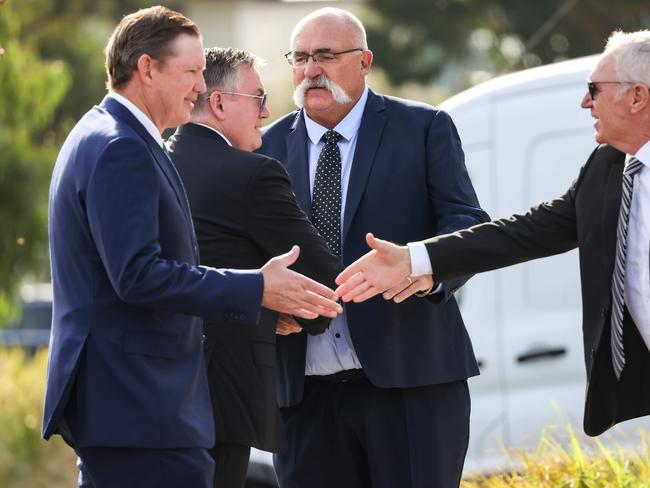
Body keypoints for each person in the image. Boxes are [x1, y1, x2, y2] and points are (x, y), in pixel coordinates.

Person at [42, 7, 341, 488]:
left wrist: (260, 303)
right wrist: (257, 288)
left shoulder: (102, 133)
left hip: (125, 405)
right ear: (146, 69)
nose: (201, 87)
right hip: (141, 406)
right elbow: (140, 276)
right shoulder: (123, 147)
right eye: (191, 72)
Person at [336, 30, 650, 439]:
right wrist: (415, 259)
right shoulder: (608, 167)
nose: (585, 101)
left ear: (638, 96)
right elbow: (526, 232)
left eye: (594, 89)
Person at [259, 7, 489, 488]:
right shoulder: (264, 148)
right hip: (305, 399)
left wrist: (422, 273)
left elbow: (468, 225)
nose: (310, 70)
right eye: (299, 57)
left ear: (364, 61)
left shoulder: (424, 128)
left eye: (326, 55)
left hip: (413, 386)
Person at [167, 47, 341, 488]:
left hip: (148, 387)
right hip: (220, 396)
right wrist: (274, 305)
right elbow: (321, 282)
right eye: (258, 99)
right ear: (221, 103)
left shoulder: (153, 162)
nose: (266, 113)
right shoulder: (252, 175)